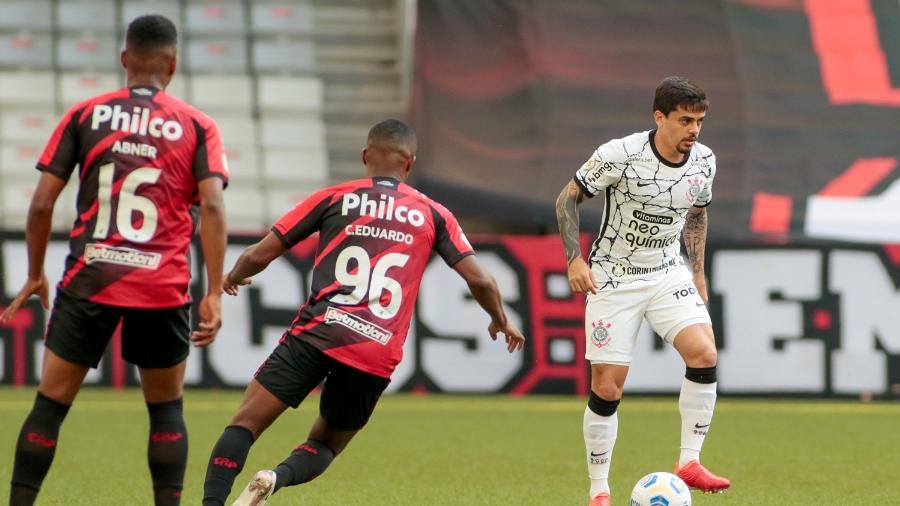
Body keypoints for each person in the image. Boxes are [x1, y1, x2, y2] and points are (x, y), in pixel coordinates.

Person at [202, 119, 525, 506]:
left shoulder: (333, 197)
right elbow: (483, 282)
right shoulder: (433, 213)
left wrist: (232, 276)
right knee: (325, 444)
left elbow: (260, 254)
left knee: (244, 424)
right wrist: (499, 318)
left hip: (318, 331)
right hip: (375, 350)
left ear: (364, 156)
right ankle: (276, 477)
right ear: (410, 164)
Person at [1, 15, 228, 506]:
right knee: (166, 412)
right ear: (174, 64)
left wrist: (35, 273)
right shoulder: (197, 125)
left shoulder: (85, 115)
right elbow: (212, 205)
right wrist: (212, 290)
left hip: (90, 278)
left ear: (125, 59)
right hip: (162, 284)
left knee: (49, 406)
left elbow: (41, 204)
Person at [555, 76, 731, 506]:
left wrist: (699, 272)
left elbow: (696, 216)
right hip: (614, 278)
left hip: (668, 272)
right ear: (659, 118)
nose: (694, 130)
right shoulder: (621, 154)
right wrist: (573, 260)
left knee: (705, 354)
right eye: (685, 120)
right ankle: (599, 490)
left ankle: (689, 461)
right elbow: (567, 199)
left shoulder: (704, 161)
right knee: (609, 387)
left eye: (700, 121)